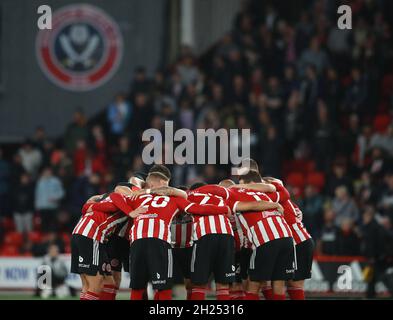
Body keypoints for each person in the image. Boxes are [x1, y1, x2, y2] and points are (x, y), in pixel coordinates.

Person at [35, 167, 65, 233]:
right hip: (43, 208)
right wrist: (37, 206)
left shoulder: (56, 181)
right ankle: (46, 241)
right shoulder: (40, 182)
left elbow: (62, 193)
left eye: (48, 172)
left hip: (53, 207)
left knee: (54, 226)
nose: (47, 173)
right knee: (44, 226)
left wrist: (55, 197)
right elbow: (37, 194)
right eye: (45, 172)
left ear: (51, 172)